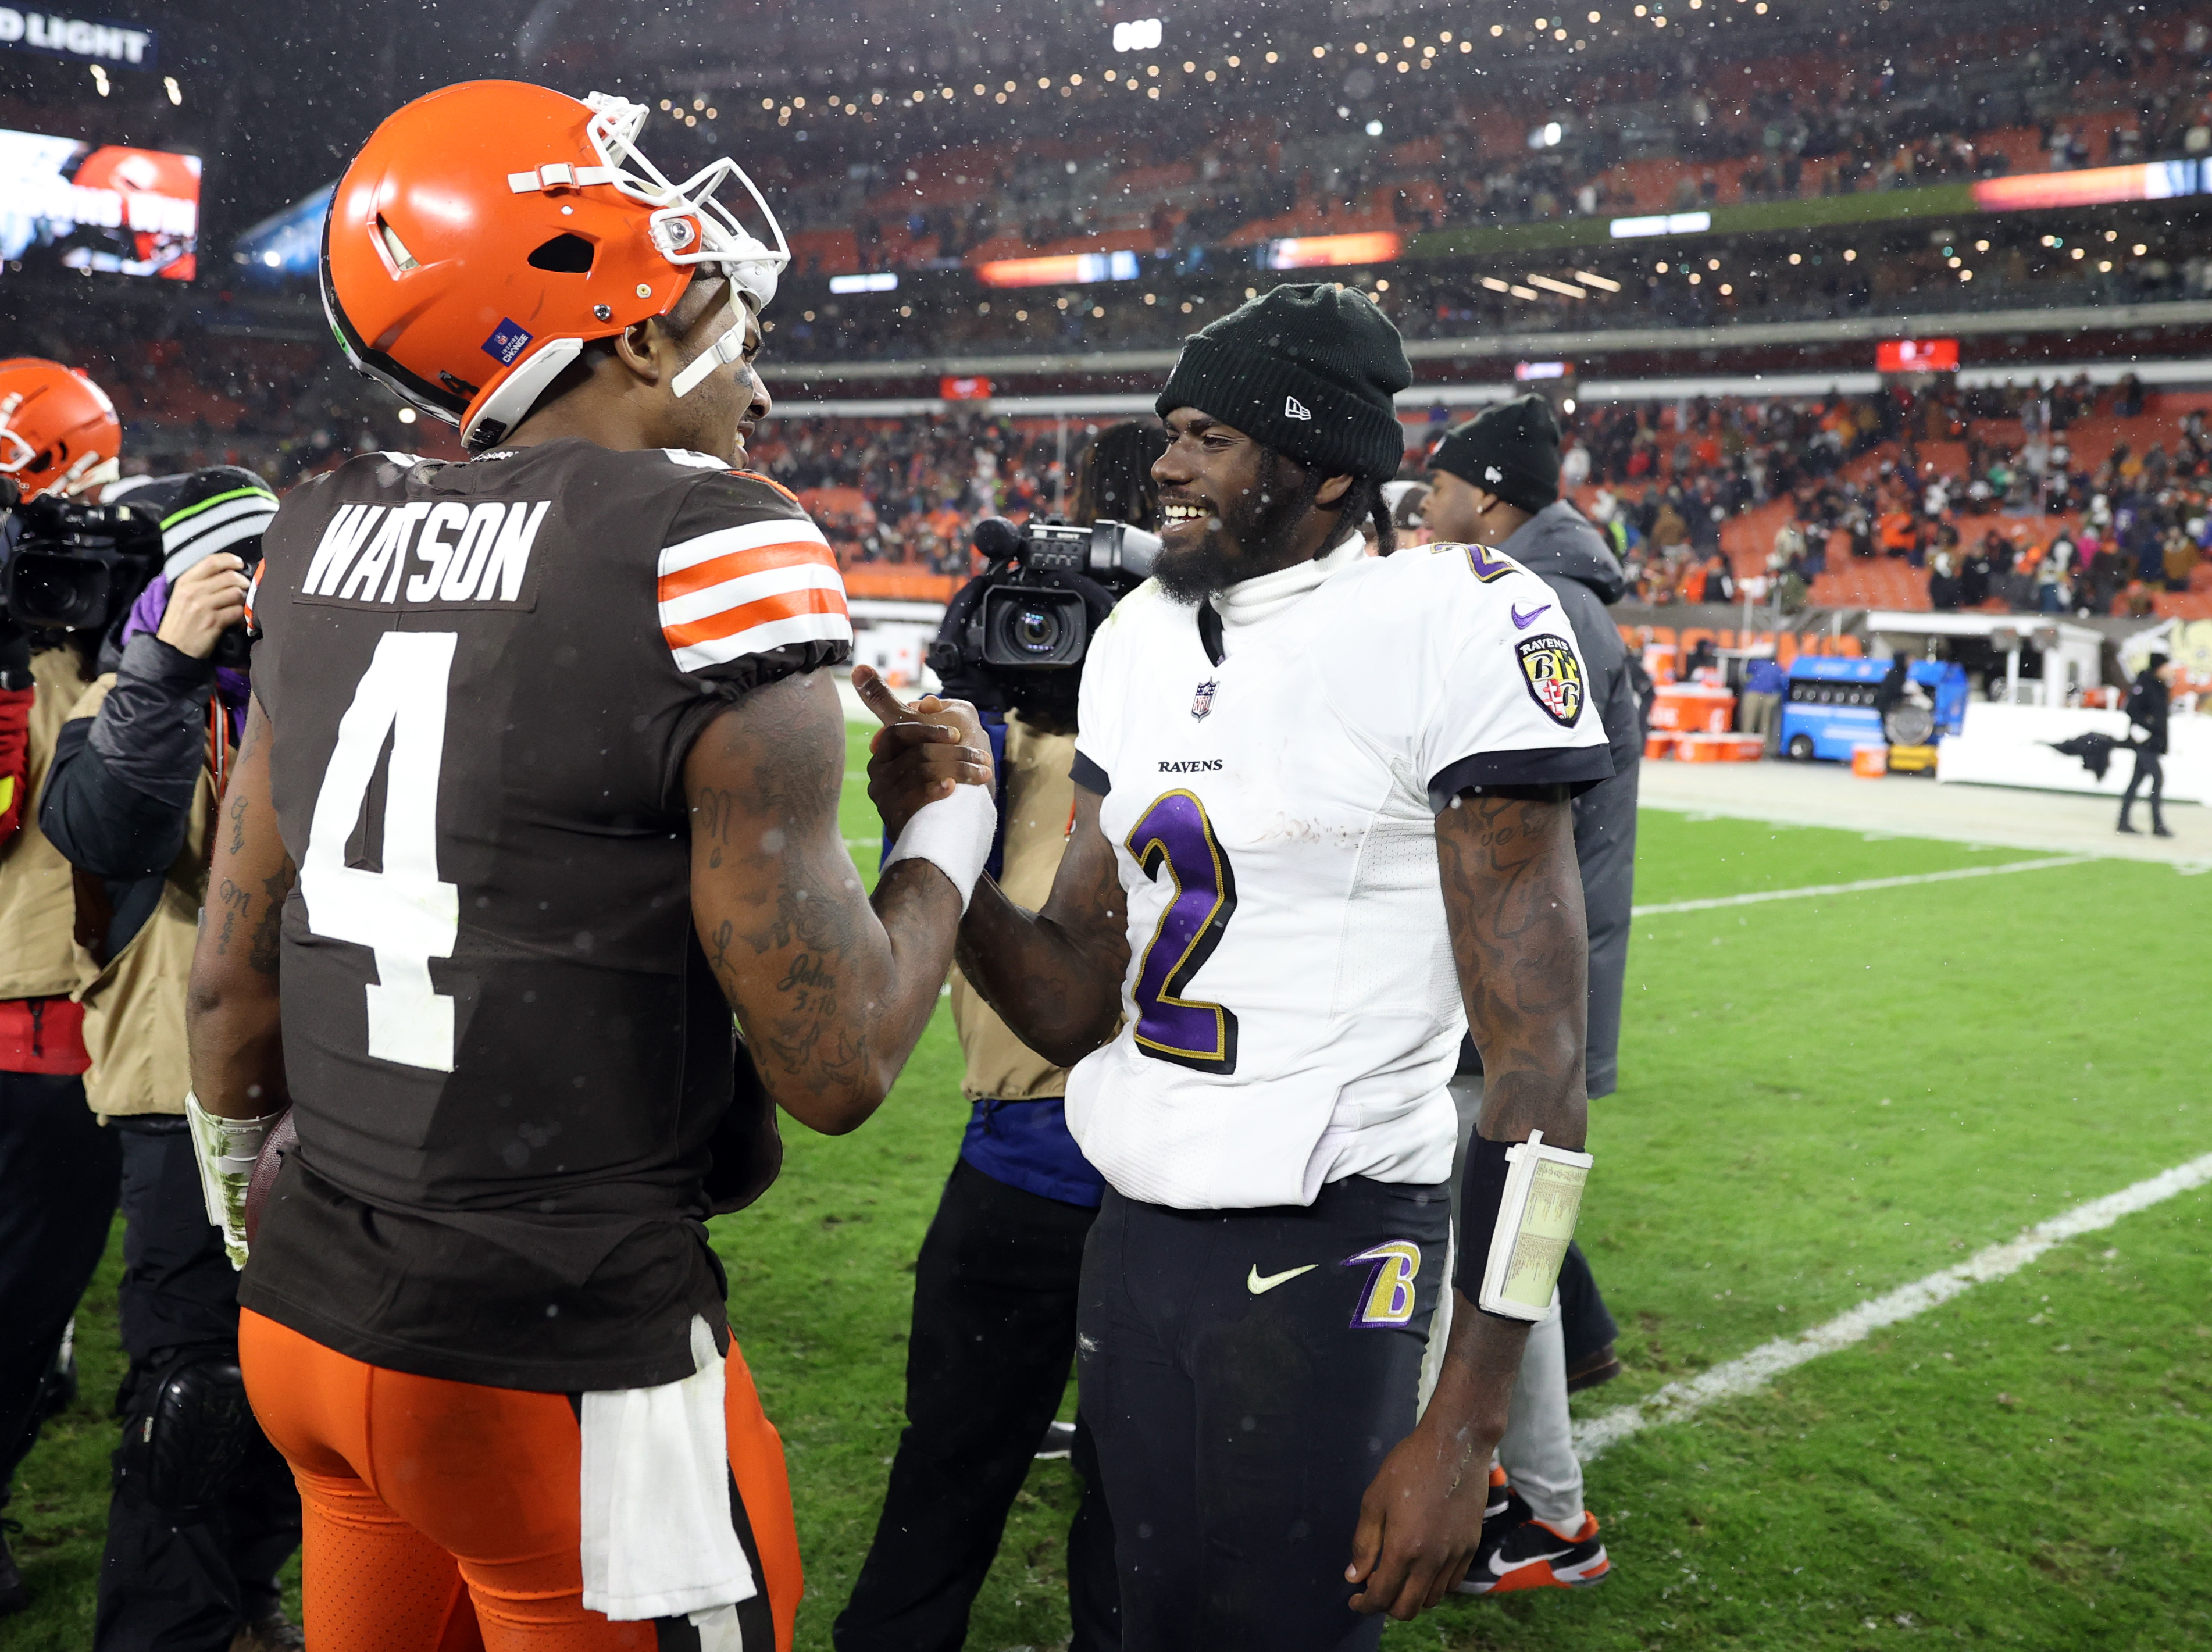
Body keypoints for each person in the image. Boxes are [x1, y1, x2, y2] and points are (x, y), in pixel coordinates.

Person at [184, 81, 994, 1651]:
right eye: (724, 328)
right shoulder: (709, 546)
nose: (753, 386)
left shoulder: (325, 532)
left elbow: (231, 973)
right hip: (551, 1359)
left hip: (307, 1329)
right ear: (629, 331)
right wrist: (944, 829)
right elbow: (832, 1064)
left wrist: (255, 1228)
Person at [873, 284, 1612, 1649]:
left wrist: (1468, 1414)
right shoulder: (1146, 633)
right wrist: (943, 845)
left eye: (1208, 433)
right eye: (1168, 430)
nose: (1165, 461)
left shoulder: (1452, 616)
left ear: (1328, 464)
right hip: (1131, 1234)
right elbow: (1072, 997)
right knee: (1134, 1621)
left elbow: (1541, 1070)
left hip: (1327, 1240)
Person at [834, 425, 1162, 1652]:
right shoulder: (1083, 729)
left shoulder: (1098, 732)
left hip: (1032, 1156)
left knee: (950, 1480)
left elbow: (916, 916)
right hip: (1144, 1171)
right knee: (1126, 1499)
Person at [38, 466, 306, 1651]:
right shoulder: (129, 698)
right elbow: (108, 830)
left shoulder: (328, 693)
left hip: (334, 1090)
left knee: (308, 1384)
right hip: (177, 1091)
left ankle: (246, 1597)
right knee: (194, 1389)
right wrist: (164, 666)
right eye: (231, 569)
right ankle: (164, 1634)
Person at [1426, 394, 1654, 1583]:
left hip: (1515, 991)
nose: (1425, 506)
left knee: (1501, 1248)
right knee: (1511, 1244)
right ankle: (1528, 1490)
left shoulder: (1538, 605)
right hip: (1533, 985)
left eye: (1442, 488)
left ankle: (1551, 1514)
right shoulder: (1570, 599)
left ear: (1491, 498)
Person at [0, 356, 126, 1618]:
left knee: (30, 1293)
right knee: (21, 1294)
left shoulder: (112, 606)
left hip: (54, 1016)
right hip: (45, 1020)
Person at [2118, 647, 2172, 837]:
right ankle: (2157, 825)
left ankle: (2123, 822)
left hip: (2154, 743)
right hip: (2145, 743)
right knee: (2157, 779)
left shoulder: (2160, 686)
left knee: (2136, 782)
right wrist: (2147, 727)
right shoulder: (2145, 685)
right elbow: (2132, 710)